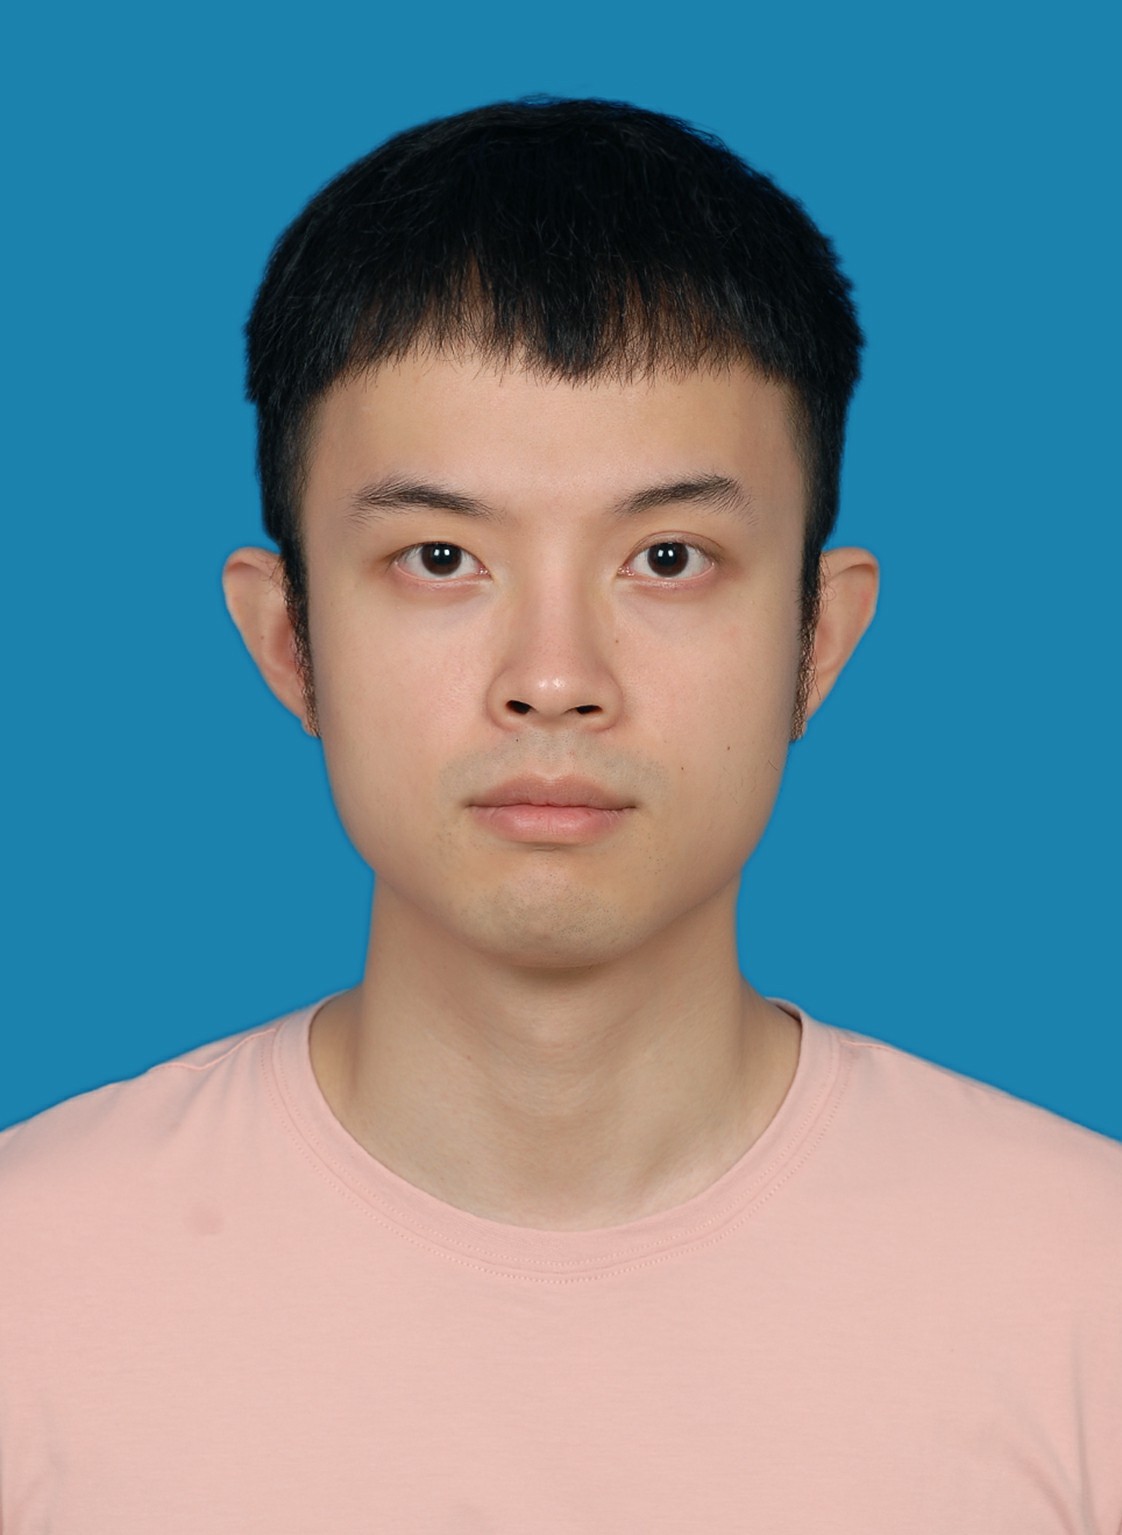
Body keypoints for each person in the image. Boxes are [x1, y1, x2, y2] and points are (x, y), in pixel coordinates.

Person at [1, 95, 1118, 1532]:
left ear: (819, 638)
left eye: (668, 558)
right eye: (439, 558)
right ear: (286, 638)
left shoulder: (1083, 1286)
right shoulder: (31, 1287)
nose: (552, 678)